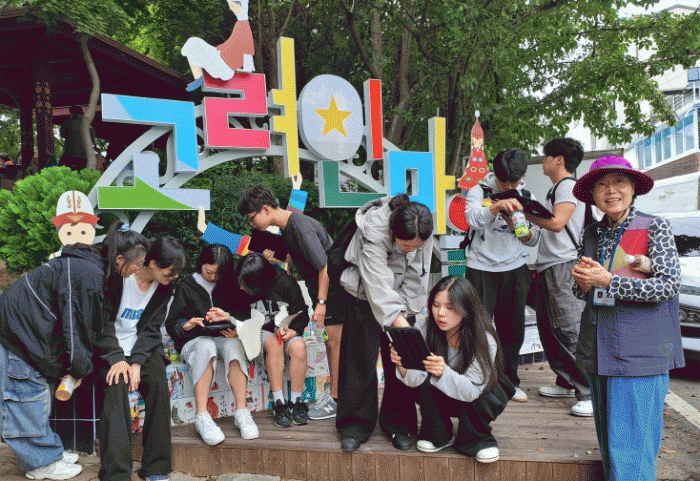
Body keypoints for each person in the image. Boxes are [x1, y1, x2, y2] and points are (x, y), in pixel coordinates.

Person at [0, 220, 147, 481]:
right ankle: (41, 463)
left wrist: (76, 367)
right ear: (120, 259)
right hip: (19, 334)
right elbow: (77, 327)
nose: (138, 268)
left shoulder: (90, 268)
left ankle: (46, 452)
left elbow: (90, 324)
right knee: (28, 397)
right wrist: (78, 370)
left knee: (37, 396)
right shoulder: (88, 274)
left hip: (25, 329)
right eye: (137, 263)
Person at [571, 156, 684, 481]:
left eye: (619, 182)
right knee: (612, 450)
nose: (611, 190)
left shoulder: (653, 226)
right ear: (593, 194)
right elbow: (581, 290)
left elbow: (668, 285)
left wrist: (610, 281)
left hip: (638, 354)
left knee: (631, 456)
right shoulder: (591, 233)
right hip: (599, 350)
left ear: (633, 188)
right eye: (602, 185)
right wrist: (584, 283)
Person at [335, 194, 433, 453]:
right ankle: (354, 425)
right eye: (406, 245)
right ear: (393, 231)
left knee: (400, 362)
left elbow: (418, 275)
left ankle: (399, 425)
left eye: (418, 246)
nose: (412, 250)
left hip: (400, 300)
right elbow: (376, 285)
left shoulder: (422, 230)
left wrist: (407, 313)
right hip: (363, 295)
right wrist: (399, 322)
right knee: (359, 360)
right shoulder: (374, 229)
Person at [237, 185, 343, 420]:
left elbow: (324, 265)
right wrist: (280, 259)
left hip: (333, 292)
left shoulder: (300, 228)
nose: (252, 224)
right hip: (325, 291)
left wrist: (321, 302)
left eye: (252, 218)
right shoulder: (288, 228)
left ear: (265, 209)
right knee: (332, 344)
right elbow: (305, 258)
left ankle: (336, 399)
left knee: (335, 344)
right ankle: (335, 396)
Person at [391, 276, 515, 463]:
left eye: (450, 307)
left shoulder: (483, 336)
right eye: (436, 305)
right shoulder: (424, 326)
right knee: (426, 378)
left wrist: (444, 372)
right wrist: (402, 365)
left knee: (481, 391)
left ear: (466, 308)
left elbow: (472, 390)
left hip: (480, 395)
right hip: (443, 393)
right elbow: (416, 381)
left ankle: (478, 439)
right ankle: (438, 434)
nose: (441, 313)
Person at [96, 235, 188, 481]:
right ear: (153, 263)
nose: (174, 277)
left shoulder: (164, 288)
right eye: (170, 271)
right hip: (110, 347)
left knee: (158, 382)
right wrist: (116, 357)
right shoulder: (120, 276)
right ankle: (116, 473)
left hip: (142, 347)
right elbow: (101, 323)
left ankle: (156, 466)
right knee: (115, 387)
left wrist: (137, 361)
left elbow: (152, 328)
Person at [464, 148, 540, 403]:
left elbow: (533, 239)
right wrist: (495, 207)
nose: (508, 186)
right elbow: (473, 219)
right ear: (494, 174)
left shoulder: (527, 197)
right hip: (480, 268)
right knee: (478, 327)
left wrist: (520, 230)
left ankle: (509, 382)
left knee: (512, 330)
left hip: (515, 267)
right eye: (503, 181)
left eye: (513, 182)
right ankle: (479, 380)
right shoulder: (479, 191)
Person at [165, 244, 259, 444]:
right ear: (201, 264)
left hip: (224, 338)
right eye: (209, 272)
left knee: (235, 346)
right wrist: (186, 325)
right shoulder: (186, 285)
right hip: (195, 341)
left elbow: (246, 315)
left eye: (218, 274)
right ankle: (202, 416)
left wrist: (234, 324)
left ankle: (242, 412)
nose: (213, 277)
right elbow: (172, 323)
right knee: (205, 346)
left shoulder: (231, 285)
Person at [524, 138, 592, 416]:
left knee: (566, 327)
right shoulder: (556, 189)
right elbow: (535, 236)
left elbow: (556, 223)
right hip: (548, 266)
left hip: (563, 266)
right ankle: (565, 382)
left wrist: (525, 212)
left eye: (546, 157)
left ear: (559, 160)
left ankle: (589, 391)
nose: (543, 162)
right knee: (548, 328)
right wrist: (516, 221)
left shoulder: (568, 186)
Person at [213, 253, 311, 428]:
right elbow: (238, 313)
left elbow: (302, 313)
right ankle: (279, 402)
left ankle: (296, 401)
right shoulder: (241, 286)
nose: (241, 287)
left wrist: (294, 330)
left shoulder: (286, 284)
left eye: (245, 285)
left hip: (285, 330)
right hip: (260, 333)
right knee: (274, 342)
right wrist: (239, 328)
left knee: (299, 347)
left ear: (259, 282)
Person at [181, 0, 255, 91]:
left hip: (224, 66)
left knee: (192, 43)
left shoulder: (244, 26)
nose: (231, 8)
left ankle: (200, 79)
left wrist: (245, 69)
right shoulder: (239, 24)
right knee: (192, 42)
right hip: (220, 58)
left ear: (240, 5)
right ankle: (199, 79)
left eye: (232, 5)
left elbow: (248, 49)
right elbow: (231, 46)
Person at [59, 106, 95, 171]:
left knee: (63, 172)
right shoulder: (89, 125)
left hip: (69, 154)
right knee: (82, 174)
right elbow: (92, 140)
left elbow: (62, 134)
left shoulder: (68, 123)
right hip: (84, 156)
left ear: (73, 113)